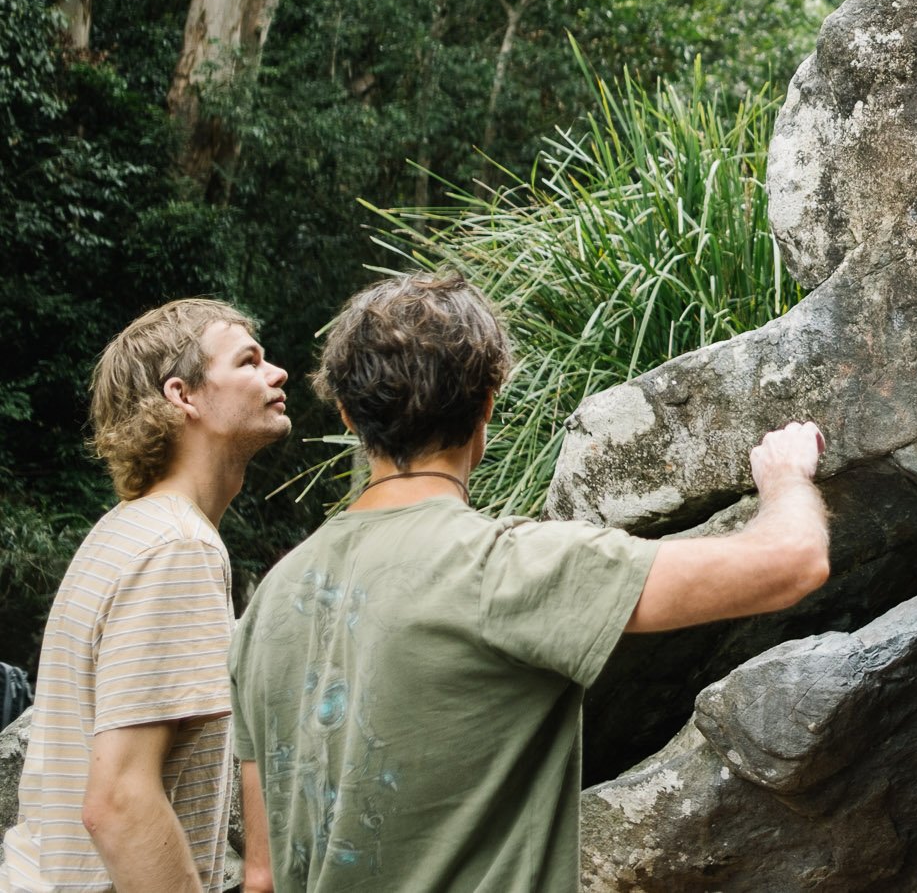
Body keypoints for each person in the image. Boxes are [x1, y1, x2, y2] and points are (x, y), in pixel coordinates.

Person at [226, 273, 829, 893]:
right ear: (487, 401)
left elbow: (262, 876)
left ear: (349, 413)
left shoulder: (269, 604)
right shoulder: (503, 567)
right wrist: (787, 478)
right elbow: (792, 560)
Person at [3, 300, 292, 893]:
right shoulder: (177, 548)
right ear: (183, 395)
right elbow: (118, 801)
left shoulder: (128, 528)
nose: (277, 373)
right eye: (249, 360)